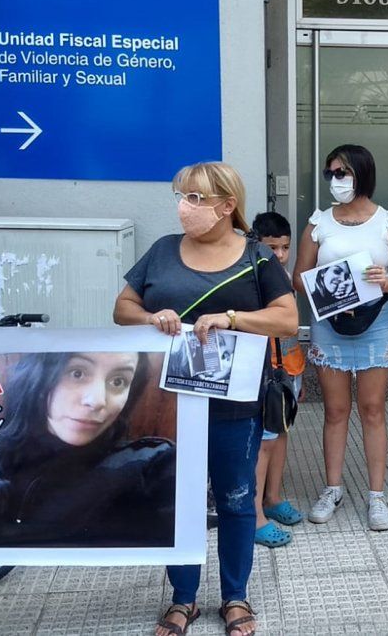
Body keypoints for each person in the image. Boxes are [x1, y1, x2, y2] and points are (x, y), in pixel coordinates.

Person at [114, 162, 297, 636]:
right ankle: (183, 599)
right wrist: (152, 318)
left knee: (237, 498)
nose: (185, 207)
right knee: (180, 501)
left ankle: (236, 597)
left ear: (226, 206)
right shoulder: (160, 252)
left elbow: (287, 320)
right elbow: (123, 309)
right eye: (183, 196)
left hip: (235, 404)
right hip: (169, 403)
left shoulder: (257, 257)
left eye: (196, 199)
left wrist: (233, 317)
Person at [0, 352, 176, 547]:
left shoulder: (149, 464)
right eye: (77, 373)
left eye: (118, 381)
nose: (97, 401)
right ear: (39, 378)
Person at [294, 144, 388, 531]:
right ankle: (332, 488)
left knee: (373, 409)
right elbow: (299, 276)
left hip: (376, 320)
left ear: (362, 173)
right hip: (329, 322)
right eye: (330, 174)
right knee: (335, 410)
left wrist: (385, 279)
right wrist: (327, 297)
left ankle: (377, 496)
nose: (335, 181)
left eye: (341, 173)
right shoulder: (319, 222)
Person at [249, 211, 306, 547]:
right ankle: (254, 515)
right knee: (264, 442)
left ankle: (273, 497)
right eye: (273, 247)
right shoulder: (251, 275)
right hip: (263, 372)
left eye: (285, 247)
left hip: (289, 369)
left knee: (281, 432)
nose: (280, 255)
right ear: (256, 244)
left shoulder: (282, 274)